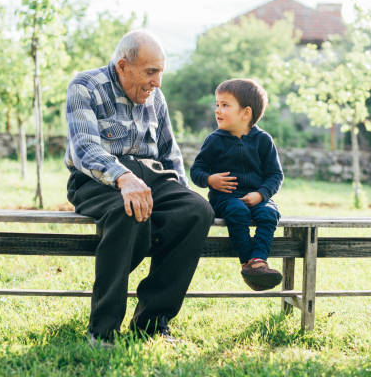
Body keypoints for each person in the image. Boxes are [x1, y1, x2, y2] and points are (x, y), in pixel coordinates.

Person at [65, 30, 214, 347]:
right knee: (126, 211)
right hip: (95, 178)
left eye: (160, 72)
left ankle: (152, 323)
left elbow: (168, 152)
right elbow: (84, 149)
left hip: (150, 176)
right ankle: (102, 331)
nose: (157, 82)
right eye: (151, 72)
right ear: (123, 66)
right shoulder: (85, 87)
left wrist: (181, 197)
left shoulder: (155, 97)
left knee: (196, 211)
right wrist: (123, 177)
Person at [190, 79, 284, 291]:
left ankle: (259, 260)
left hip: (256, 198)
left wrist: (261, 195)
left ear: (246, 113)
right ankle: (247, 264)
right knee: (237, 210)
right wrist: (209, 180)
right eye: (217, 104)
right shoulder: (214, 140)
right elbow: (196, 170)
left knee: (269, 214)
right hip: (225, 199)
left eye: (225, 105)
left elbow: (275, 175)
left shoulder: (263, 140)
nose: (218, 110)